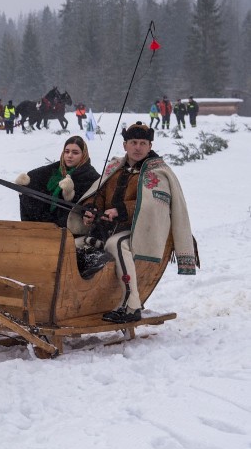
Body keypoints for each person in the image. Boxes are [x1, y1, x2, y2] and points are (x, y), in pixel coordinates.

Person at [67, 121, 197, 323]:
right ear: (125, 145)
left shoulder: (158, 172)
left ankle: (131, 305)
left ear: (150, 146)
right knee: (70, 246)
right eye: (133, 142)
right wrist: (92, 208)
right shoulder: (115, 167)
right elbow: (99, 193)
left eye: (143, 143)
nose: (138, 147)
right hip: (107, 228)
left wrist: (120, 211)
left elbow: (153, 205)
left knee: (116, 244)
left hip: (141, 230)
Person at [14, 136, 100, 227]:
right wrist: (26, 185)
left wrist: (68, 195)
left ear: (83, 155)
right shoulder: (55, 169)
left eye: (75, 153)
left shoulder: (90, 175)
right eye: (66, 152)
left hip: (67, 225)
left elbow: (88, 201)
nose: (69, 155)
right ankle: (33, 227)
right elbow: (35, 176)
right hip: (45, 218)